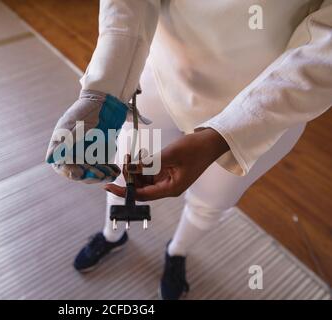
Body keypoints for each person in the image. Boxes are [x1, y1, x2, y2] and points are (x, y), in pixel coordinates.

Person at [46, 0, 332, 299]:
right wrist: (101, 89)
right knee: (123, 176)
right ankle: (112, 234)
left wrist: (223, 136)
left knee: (211, 201)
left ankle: (177, 251)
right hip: (161, 77)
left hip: (266, 104)